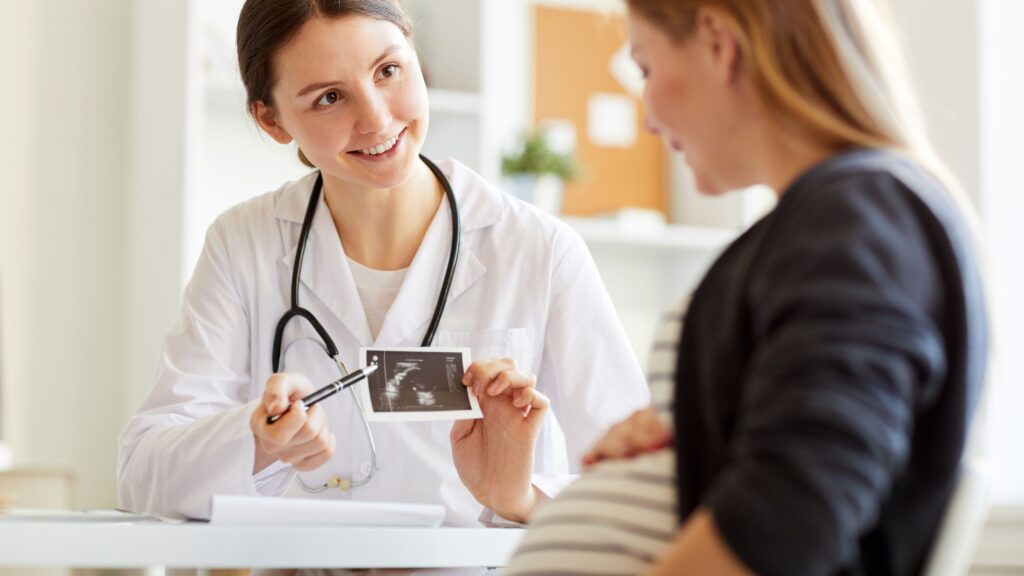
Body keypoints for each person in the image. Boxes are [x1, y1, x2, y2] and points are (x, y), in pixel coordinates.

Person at [497, 1, 989, 575]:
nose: (649, 117)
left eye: (647, 69)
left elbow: (793, 506)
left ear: (718, 41)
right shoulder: (837, 220)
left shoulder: (858, 214)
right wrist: (700, 429)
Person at [117, 0, 649, 526]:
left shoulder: (538, 249)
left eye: (388, 70)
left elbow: (644, 487)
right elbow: (143, 474)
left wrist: (522, 497)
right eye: (329, 97)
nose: (376, 119)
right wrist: (258, 440)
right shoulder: (243, 245)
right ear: (271, 120)